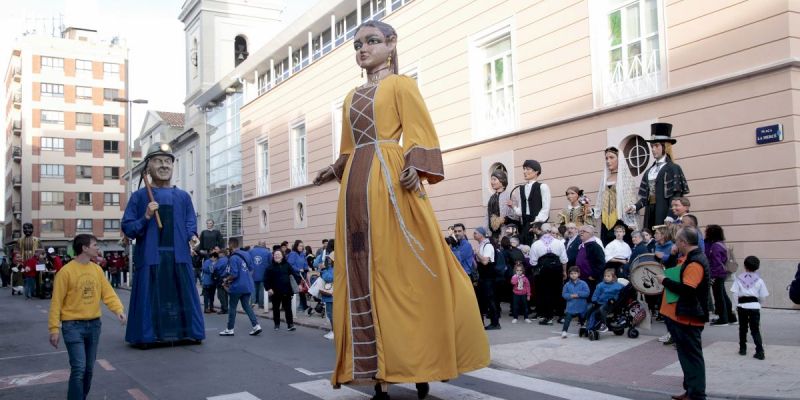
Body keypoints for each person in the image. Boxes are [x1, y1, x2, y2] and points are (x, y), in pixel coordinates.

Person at [311, 20, 489, 397]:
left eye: (371, 41)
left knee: (406, 274)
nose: (362, 49)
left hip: (392, 180)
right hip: (356, 190)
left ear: (391, 44)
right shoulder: (349, 96)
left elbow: (420, 131)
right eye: (357, 44)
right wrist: (335, 168)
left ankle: (421, 365)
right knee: (362, 272)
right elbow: (348, 147)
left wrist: (415, 167)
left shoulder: (402, 84)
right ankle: (377, 375)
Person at [121, 143, 204, 346]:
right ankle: (148, 335)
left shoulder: (183, 196)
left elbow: (190, 221)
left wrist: (192, 235)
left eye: (168, 161)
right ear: (148, 167)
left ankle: (187, 332)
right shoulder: (139, 197)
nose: (164, 165)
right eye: (159, 161)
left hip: (179, 256)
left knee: (182, 296)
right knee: (150, 298)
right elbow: (129, 228)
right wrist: (146, 216)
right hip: (151, 256)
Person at [48, 234, 126, 400]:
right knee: (79, 369)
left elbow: (108, 293)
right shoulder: (66, 272)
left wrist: (118, 310)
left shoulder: (97, 270)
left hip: (94, 325)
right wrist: (54, 328)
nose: (98, 248)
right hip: (72, 326)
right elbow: (56, 302)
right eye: (95, 245)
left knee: (89, 370)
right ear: (84, 248)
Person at [657, 227, 710, 400]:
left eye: (677, 241)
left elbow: (688, 290)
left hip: (689, 318)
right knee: (686, 357)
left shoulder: (695, 263)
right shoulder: (688, 258)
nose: (675, 243)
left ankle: (696, 394)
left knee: (692, 358)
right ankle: (690, 391)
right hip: (682, 316)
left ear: (683, 243)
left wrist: (665, 281)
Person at [627, 123, 690, 232]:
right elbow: (646, 197)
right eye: (652, 146)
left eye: (656, 146)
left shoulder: (673, 168)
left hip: (664, 211)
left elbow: (676, 195)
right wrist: (635, 207)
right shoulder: (649, 171)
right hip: (650, 211)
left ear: (665, 146)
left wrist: (671, 215)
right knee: (650, 238)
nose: (653, 149)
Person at [594, 147, 638, 245]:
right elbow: (601, 200)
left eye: (611, 157)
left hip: (620, 219)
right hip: (606, 220)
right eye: (606, 158)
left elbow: (630, 200)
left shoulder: (625, 178)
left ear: (619, 159)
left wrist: (631, 221)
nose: (608, 161)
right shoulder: (605, 179)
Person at [219, 238, 262, 336]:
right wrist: (246, 277)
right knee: (246, 306)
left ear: (230, 245)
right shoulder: (247, 254)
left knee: (232, 307)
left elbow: (234, 274)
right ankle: (256, 325)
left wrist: (226, 280)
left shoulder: (233, 257)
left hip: (237, 286)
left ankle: (230, 329)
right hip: (247, 285)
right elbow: (251, 269)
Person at [529, 223, 568, 325]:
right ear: (551, 231)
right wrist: (564, 271)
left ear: (541, 231)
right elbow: (564, 260)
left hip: (543, 272)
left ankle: (548, 316)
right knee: (558, 292)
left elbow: (533, 262)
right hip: (557, 270)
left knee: (545, 293)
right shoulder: (559, 243)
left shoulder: (536, 244)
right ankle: (561, 315)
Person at [731, 256, 769, 360]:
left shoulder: (739, 279)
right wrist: (759, 305)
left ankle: (743, 349)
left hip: (742, 306)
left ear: (744, 266)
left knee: (743, 328)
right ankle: (760, 351)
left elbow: (734, 294)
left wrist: (734, 307)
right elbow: (763, 296)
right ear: (757, 267)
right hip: (754, 307)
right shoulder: (759, 280)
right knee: (755, 329)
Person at [508, 160, 551, 245]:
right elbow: (521, 212)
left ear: (536, 172)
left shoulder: (543, 187)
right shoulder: (521, 189)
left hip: (538, 225)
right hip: (525, 225)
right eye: (524, 169)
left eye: (528, 169)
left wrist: (536, 222)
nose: (524, 172)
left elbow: (546, 208)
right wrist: (513, 206)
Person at [705, 225, 736, 326]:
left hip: (717, 274)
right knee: (723, 295)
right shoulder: (721, 244)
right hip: (721, 273)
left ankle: (723, 319)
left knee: (719, 297)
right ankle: (731, 317)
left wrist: (713, 276)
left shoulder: (715, 246)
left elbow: (716, 263)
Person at [264, 249, 300, 331]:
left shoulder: (287, 265)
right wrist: (268, 288)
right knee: (276, 308)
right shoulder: (270, 267)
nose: (277, 256)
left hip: (286, 291)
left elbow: (294, 274)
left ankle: (290, 324)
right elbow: (266, 279)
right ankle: (277, 324)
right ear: (273, 256)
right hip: (275, 291)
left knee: (288, 308)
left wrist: (299, 283)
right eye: (275, 254)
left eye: (279, 254)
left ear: (282, 256)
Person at [474, 227, 500, 330]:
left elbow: (485, 262)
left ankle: (495, 323)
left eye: (475, 233)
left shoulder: (488, 246)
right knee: (483, 300)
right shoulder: (482, 245)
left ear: (481, 234)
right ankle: (482, 322)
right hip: (483, 277)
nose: (474, 235)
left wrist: (477, 253)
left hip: (488, 278)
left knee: (490, 300)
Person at [585, 268, 624, 333]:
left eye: (608, 276)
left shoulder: (618, 286)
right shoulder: (600, 285)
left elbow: (619, 294)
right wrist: (594, 300)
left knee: (602, 309)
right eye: (605, 276)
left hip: (609, 303)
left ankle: (604, 325)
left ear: (613, 277)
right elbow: (595, 294)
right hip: (599, 302)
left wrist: (614, 299)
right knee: (589, 307)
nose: (606, 277)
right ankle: (587, 322)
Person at [575, 225, 606, 295]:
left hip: (590, 280)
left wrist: (594, 275)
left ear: (590, 234)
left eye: (584, 231)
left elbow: (601, 263)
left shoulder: (595, 246)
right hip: (581, 278)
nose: (581, 233)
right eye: (580, 231)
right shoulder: (582, 245)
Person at [487, 169, 516, 239]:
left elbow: (515, 214)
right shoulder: (491, 198)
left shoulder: (509, 195)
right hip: (494, 234)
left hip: (507, 231)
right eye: (491, 180)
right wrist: (487, 231)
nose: (492, 182)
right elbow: (487, 216)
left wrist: (503, 220)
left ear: (502, 180)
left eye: (494, 179)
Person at [561, 266, 590, 338]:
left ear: (579, 274)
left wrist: (578, 294)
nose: (573, 275)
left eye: (575, 273)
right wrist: (570, 296)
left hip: (581, 306)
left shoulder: (583, 283)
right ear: (569, 275)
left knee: (583, 319)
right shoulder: (567, 285)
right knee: (567, 319)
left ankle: (584, 329)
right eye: (571, 273)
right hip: (571, 307)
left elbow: (587, 293)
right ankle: (564, 331)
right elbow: (564, 294)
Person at [287, 240, 310, 313]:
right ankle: (294, 306)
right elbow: (290, 265)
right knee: (297, 291)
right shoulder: (293, 254)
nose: (301, 247)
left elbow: (305, 262)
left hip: (302, 274)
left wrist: (306, 268)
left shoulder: (302, 254)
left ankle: (303, 306)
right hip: (295, 275)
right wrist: (298, 269)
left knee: (302, 291)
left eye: (302, 246)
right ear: (296, 246)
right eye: (300, 246)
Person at [249, 241, 271, 311]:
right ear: (264, 245)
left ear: (258, 244)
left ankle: (252, 303)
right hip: (263, 274)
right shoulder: (268, 252)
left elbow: (248, 262)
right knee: (262, 290)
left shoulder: (251, 251)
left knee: (253, 289)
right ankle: (261, 305)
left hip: (253, 274)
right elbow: (271, 263)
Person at [320, 251, 335, 340]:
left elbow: (329, 278)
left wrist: (323, 270)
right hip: (331, 295)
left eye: (330, 258)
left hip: (331, 295)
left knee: (331, 314)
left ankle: (334, 332)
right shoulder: (331, 267)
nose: (328, 260)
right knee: (331, 314)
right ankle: (333, 331)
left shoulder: (333, 268)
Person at [201, 247, 220, 313]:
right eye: (216, 259)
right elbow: (205, 269)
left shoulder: (215, 262)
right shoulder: (207, 262)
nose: (216, 260)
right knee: (206, 296)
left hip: (212, 282)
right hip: (207, 282)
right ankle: (206, 308)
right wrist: (212, 267)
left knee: (212, 295)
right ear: (213, 257)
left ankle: (211, 307)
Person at [214, 249, 230, 315]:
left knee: (220, 295)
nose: (218, 254)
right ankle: (225, 308)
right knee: (225, 294)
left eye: (219, 253)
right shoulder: (228, 259)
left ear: (222, 253)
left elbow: (216, 267)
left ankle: (224, 309)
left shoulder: (221, 260)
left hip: (221, 278)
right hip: (227, 278)